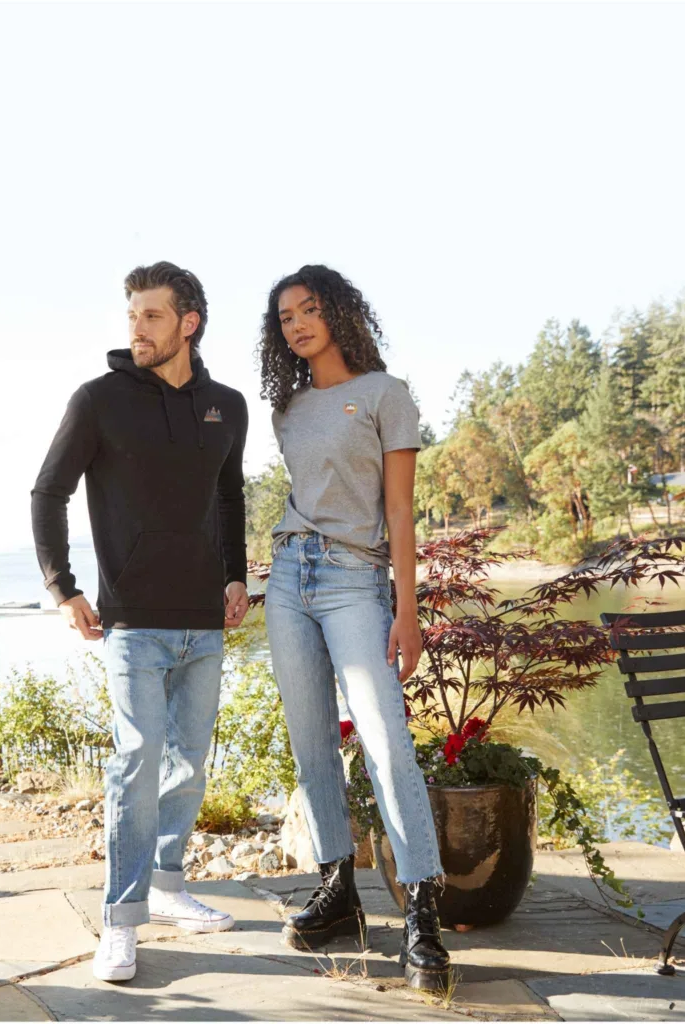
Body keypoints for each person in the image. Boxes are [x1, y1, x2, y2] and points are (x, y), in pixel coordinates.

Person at [32, 261, 250, 982]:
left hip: (204, 621)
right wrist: (64, 588)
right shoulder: (98, 401)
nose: (137, 329)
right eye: (132, 316)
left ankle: (169, 883)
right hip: (132, 620)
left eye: (152, 316)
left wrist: (235, 576)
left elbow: (228, 501)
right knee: (136, 765)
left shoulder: (227, 405)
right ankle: (121, 922)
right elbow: (48, 491)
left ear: (188, 322)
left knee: (189, 765)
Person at [257, 264, 451, 992]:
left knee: (383, 737)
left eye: (311, 309)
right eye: (285, 317)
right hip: (288, 579)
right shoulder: (288, 409)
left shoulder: (385, 395)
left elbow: (400, 512)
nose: (299, 323)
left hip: (353, 579)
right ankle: (338, 888)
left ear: (339, 313)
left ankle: (421, 910)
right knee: (311, 739)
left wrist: (407, 608)